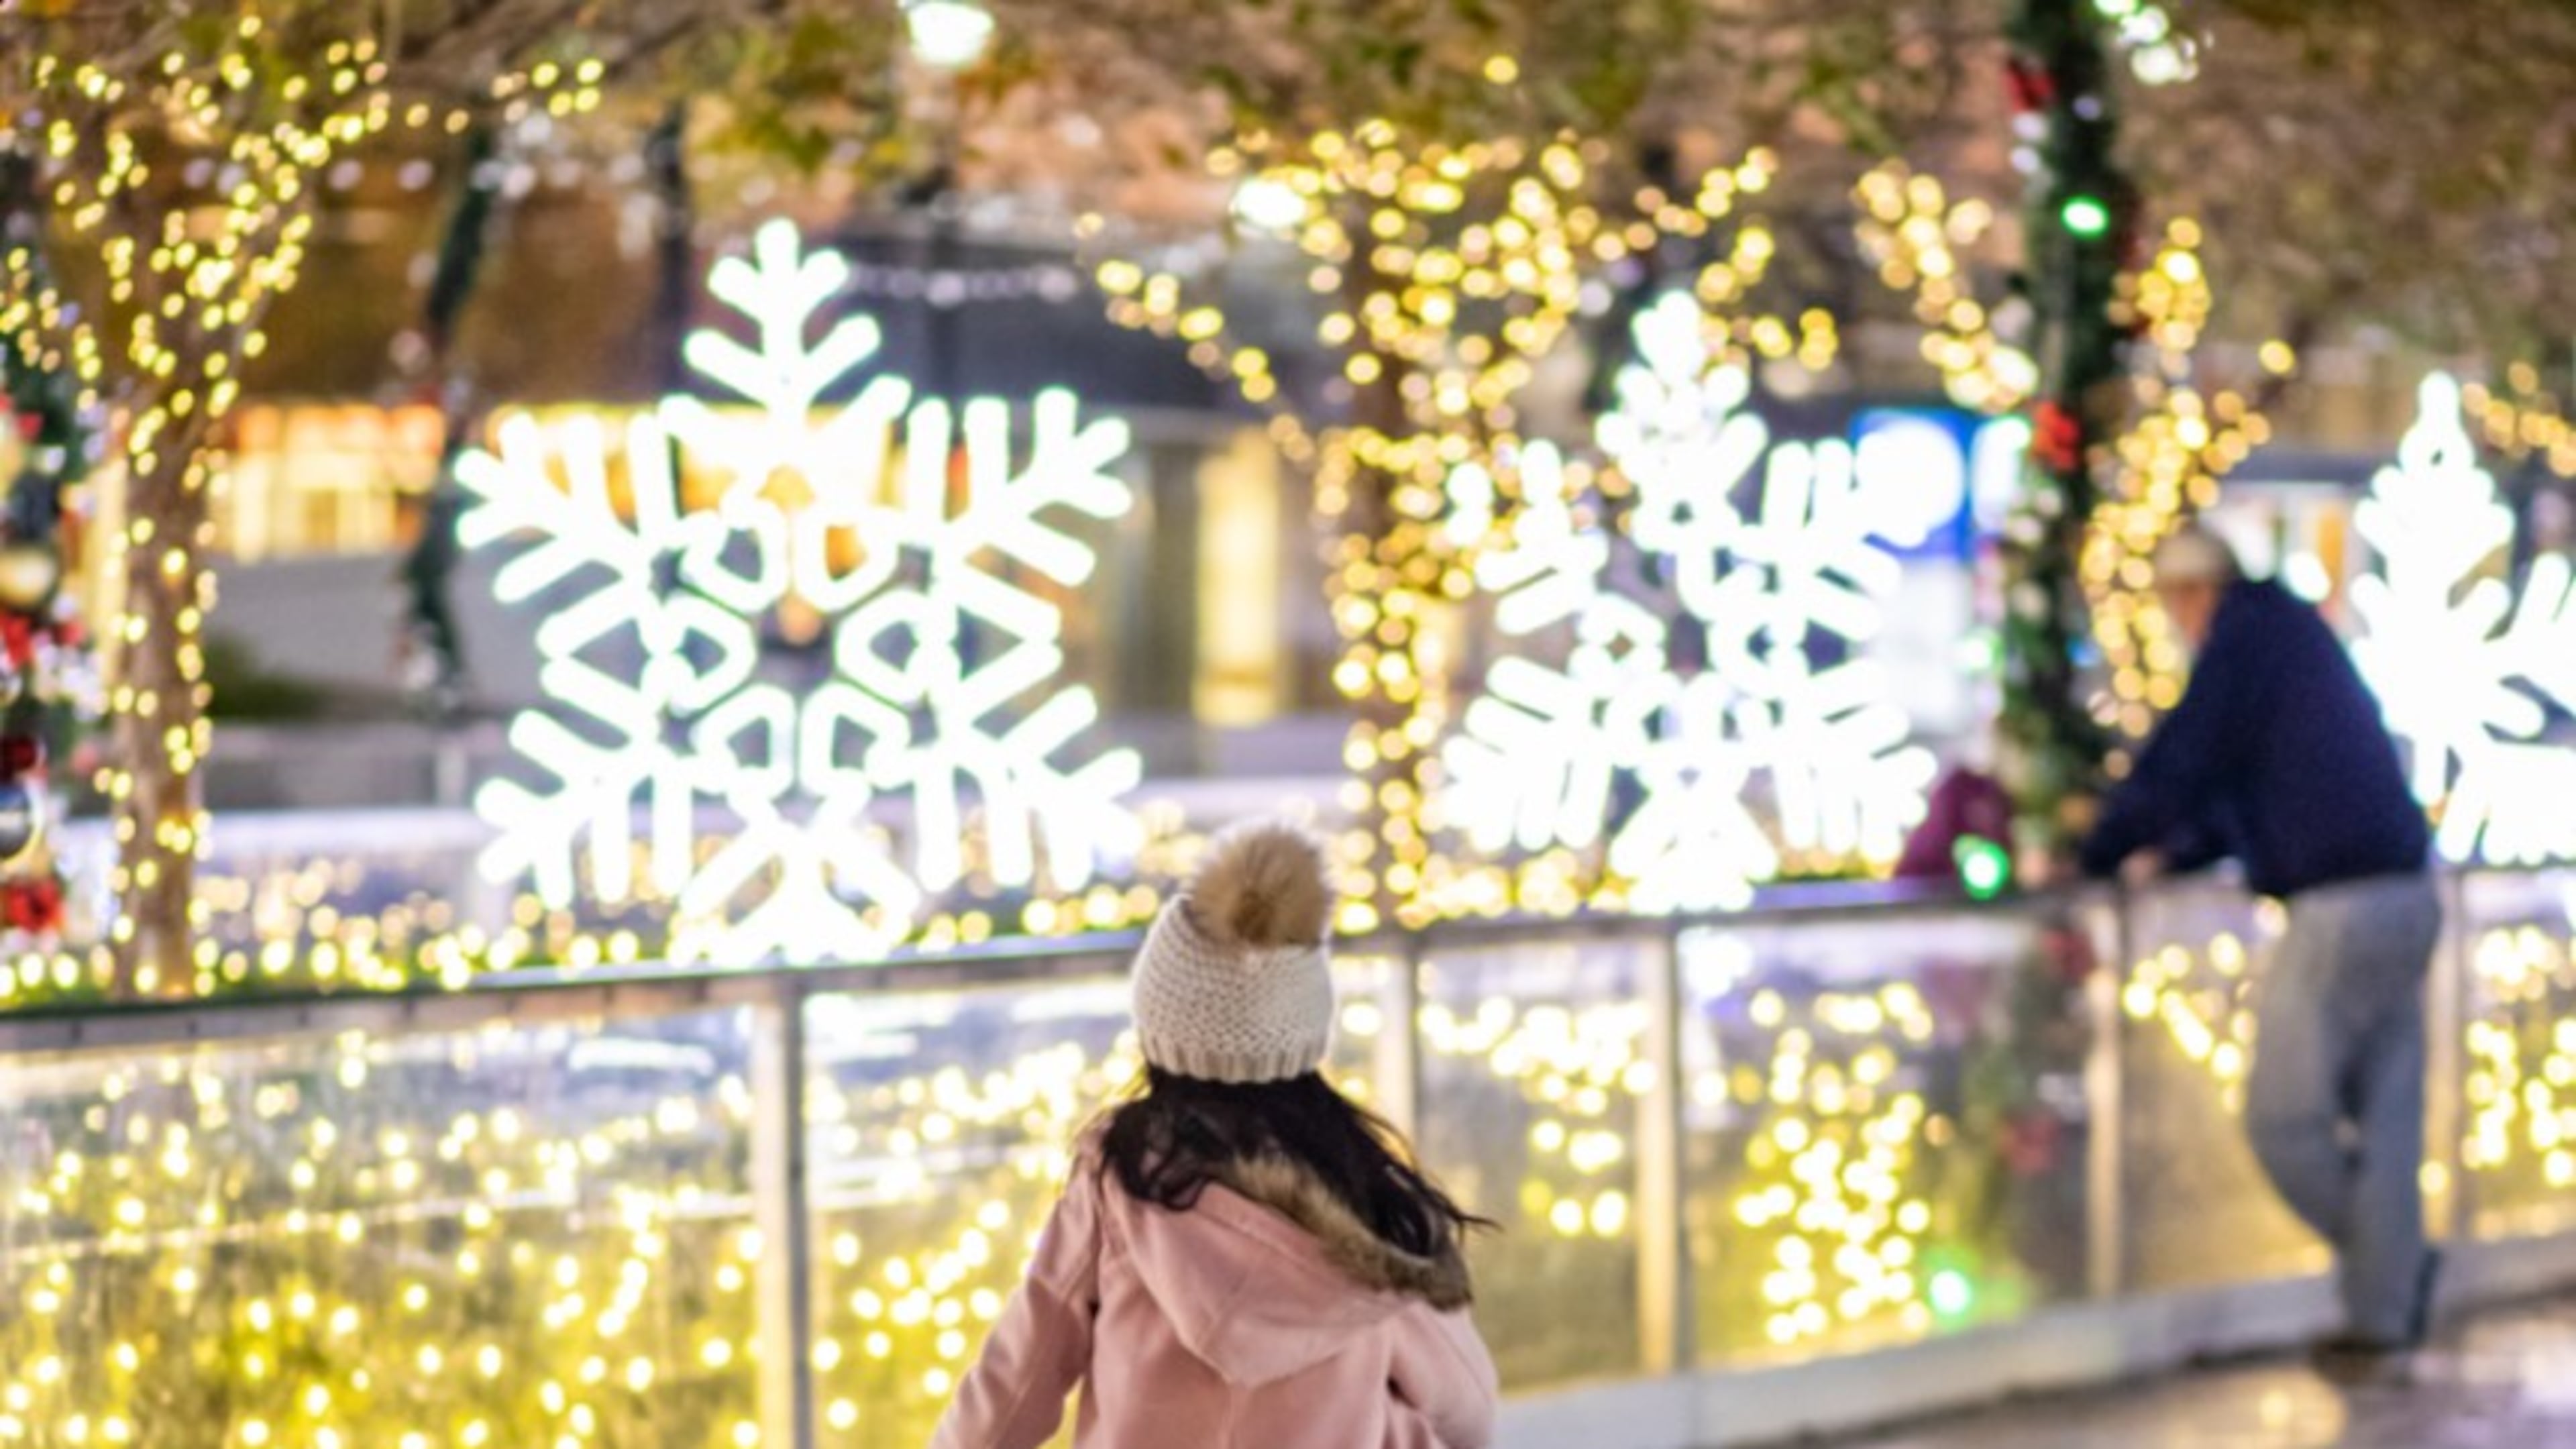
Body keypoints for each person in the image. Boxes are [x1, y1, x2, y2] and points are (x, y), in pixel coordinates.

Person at [932, 822, 1499, 1449]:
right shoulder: (1367, 1206)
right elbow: (1466, 1403)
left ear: (1158, 1028)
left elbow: (1025, 1363)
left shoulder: (1122, 1176)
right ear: (1305, 1031)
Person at [2079, 525, 2440, 1360]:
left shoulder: (2247, 640)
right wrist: (2174, 851)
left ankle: (2391, 1269)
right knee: (2388, 1121)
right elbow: (2247, 785)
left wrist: (2095, 848)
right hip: (2407, 891)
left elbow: (2185, 761)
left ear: (2190, 594)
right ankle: (2384, 1310)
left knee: (2284, 1118)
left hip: (2342, 906)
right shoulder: (2287, 639)